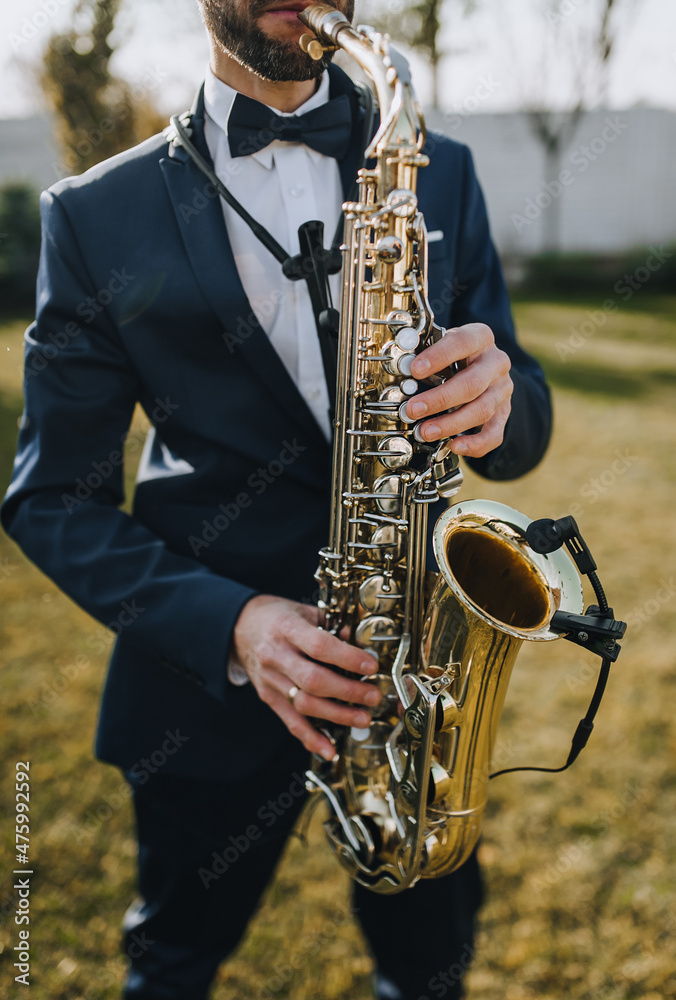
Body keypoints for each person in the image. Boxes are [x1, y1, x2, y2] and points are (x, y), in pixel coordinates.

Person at [1, 1, 552, 997]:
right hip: (204, 690)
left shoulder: (442, 169)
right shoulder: (92, 215)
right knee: (173, 965)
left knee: (430, 971)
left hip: (416, 686)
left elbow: (525, 418)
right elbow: (53, 499)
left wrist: (500, 396)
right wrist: (237, 627)